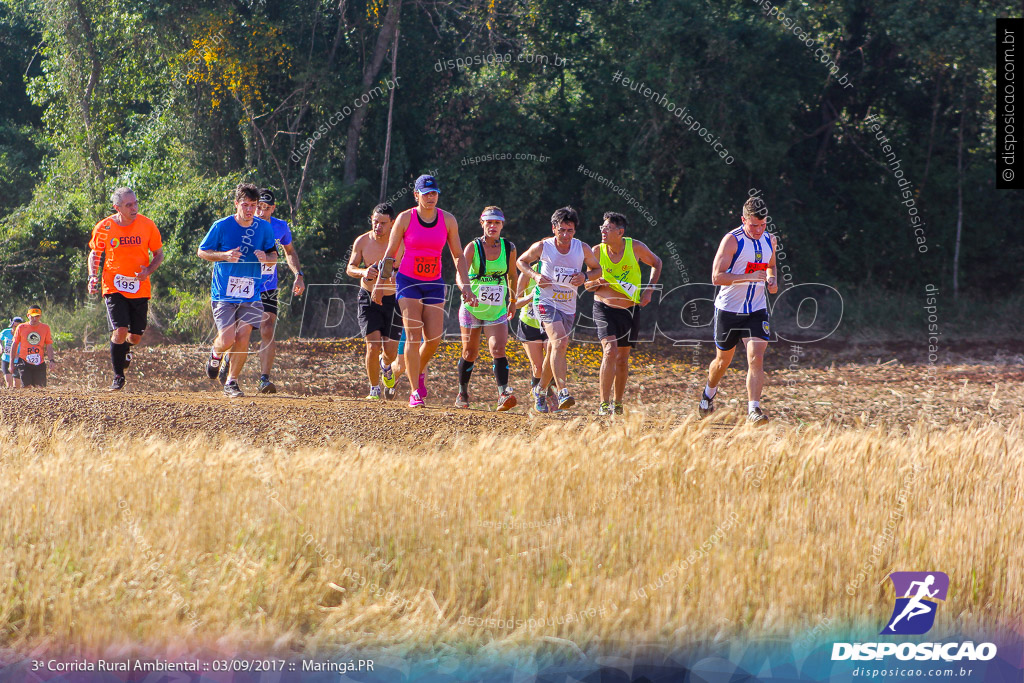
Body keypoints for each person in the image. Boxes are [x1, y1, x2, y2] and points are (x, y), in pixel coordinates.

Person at [374, 174, 476, 407]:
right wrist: (380, 285)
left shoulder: (447, 220)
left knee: (434, 338)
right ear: (416, 195)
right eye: (426, 193)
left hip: (434, 282)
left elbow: (458, 255)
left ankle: (414, 369)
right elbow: (390, 255)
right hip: (408, 281)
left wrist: (466, 285)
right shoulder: (404, 219)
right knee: (413, 334)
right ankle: (414, 391)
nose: (431, 197)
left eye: (434, 193)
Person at [698, 196, 777, 426]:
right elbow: (716, 277)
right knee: (722, 362)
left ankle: (753, 410)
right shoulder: (732, 240)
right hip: (729, 310)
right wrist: (748, 277)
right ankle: (708, 393)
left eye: (763, 225)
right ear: (743, 220)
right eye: (754, 225)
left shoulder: (769, 239)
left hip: (757, 309)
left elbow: (771, 265)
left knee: (756, 357)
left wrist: (772, 281)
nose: (758, 229)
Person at [516, 206, 602, 413]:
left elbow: (597, 269)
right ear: (553, 228)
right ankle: (563, 390)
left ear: (575, 231)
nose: (565, 235)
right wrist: (535, 277)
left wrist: (585, 276)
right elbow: (521, 261)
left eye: (570, 230)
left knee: (555, 348)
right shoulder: (543, 247)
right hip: (545, 301)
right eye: (561, 230)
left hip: (568, 306)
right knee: (561, 341)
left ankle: (541, 389)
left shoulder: (582, 248)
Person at [197, 182, 278, 398]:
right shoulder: (221, 226)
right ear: (236, 204)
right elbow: (202, 252)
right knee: (227, 339)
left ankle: (231, 382)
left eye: (253, 205)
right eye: (245, 205)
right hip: (224, 293)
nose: (249, 210)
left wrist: (267, 258)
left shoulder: (263, 227)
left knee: (243, 336)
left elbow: (274, 256)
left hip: (251, 293)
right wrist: (224, 256)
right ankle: (216, 355)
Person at [584, 212, 662, 415]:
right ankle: (603, 404)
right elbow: (587, 285)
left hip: (629, 309)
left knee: (622, 358)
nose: (603, 231)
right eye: (602, 227)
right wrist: (595, 283)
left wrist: (649, 290)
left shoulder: (635, 247)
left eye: (608, 228)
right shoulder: (596, 251)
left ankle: (617, 403)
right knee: (610, 351)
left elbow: (657, 263)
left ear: (620, 232)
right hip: (603, 307)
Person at [87, 187, 164, 391]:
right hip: (114, 285)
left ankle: (127, 348)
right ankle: (118, 376)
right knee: (120, 330)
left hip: (139, 287)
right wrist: (93, 276)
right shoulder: (105, 227)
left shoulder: (147, 225)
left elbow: (159, 254)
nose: (134, 208)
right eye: (128, 205)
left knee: (135, 337)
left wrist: (148, 270)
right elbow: (95, 254)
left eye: (135, 203)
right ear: (117, 207)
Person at [455, 206, 518, 410]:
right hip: (472, 306)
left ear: (502, 225)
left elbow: (512, 276)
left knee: (498, 348)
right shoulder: (473, 247)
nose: (493, 226)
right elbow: (460, 271)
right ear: (482, 223)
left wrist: (513, 300)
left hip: (497, 307)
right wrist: (466, 291)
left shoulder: (509, 248)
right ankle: (463, 392)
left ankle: (503, 394)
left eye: (497, 223)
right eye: (489, 222)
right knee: (470, 353)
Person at [249, 188, 305, 394]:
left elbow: (289, 252)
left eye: (266, 208)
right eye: (259, 208)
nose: (262, 212)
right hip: (245, 284)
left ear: (273, 208)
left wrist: (298, 275)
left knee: (267, 328)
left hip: (268, 286)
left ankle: (264, 378)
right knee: (240, 331)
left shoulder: (281, 227)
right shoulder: (245, 225)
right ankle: (228, 358)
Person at [347, 203, 401, 400]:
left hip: (393, 301)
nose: (378, 226)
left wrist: (398, 275)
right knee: (373, 345)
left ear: (392, 223)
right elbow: (350, 267)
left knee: (391, 352)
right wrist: (363, 271)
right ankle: (374, 389)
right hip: (368, 297)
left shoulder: (400, 243)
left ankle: (386, 365)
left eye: (383, 223)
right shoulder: (362, 241)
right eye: (375, 222)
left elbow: (405, 268)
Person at [10, 306, 55, 388]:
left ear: (40, 316)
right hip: (24, 362)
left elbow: (49, 345)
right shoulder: (21, 327)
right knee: (27, 387)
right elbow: (14, 344)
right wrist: (11, 363)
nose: (34, 319)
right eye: (32, 316)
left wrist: (51, 360)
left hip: (39, 362)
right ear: (28, 315)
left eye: (37, 316)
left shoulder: (45, 328)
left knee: (40, 388)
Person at [1, 316, 23, 388]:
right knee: (9, 383)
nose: (16, 328)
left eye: (18, 327)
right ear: (12, 325)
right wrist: (1, 347)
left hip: (17, 360)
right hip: (6, 359)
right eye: (14, 326)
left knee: (16, 385)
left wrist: (20, 354)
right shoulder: (6, 332)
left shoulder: (23, 335)